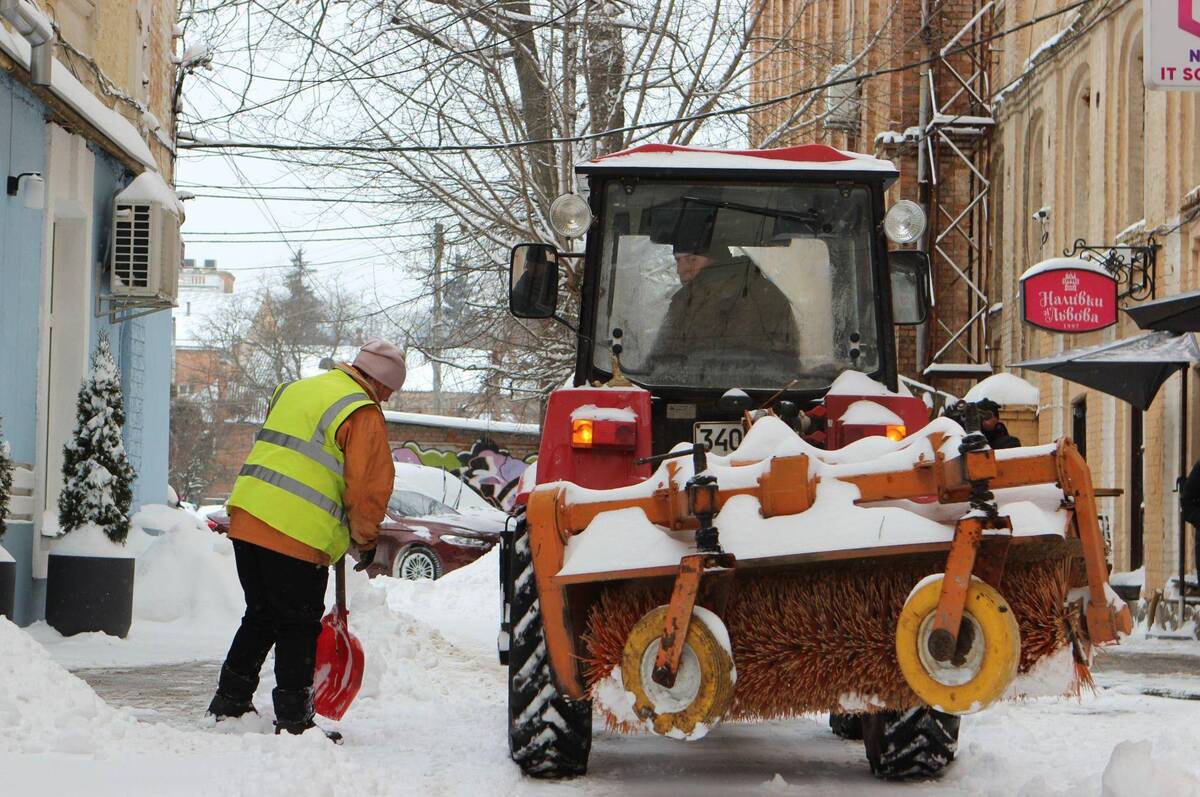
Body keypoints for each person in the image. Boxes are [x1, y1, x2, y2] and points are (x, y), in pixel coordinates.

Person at [205, 339, 404, 741]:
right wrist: (365, 539)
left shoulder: (297, 389)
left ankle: (229, 702)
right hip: (295, 534)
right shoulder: (361, 411)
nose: (385, 399)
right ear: (382, 386)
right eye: (389, 392)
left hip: (246, 516)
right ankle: (294, 720)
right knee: (298, 624)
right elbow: (368, 490)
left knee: (261, 614)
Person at [651, 245, 801, 363]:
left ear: (715, 260)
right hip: (765, 397)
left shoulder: (686, 300)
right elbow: (789, 359)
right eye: (678, 261)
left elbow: (661, 362)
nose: (681, 270)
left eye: (692, 260)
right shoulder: (770, 293)